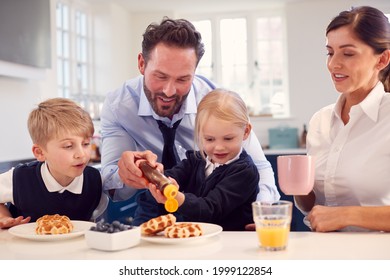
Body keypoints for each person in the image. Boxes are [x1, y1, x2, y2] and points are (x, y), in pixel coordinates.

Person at [100, 17, 279, 214]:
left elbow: (260, 167)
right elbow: (114, 188)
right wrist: (126, 174)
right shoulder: (118, 107)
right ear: (142, 64)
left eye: (183, 79)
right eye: (160, 76)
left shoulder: (218, 105)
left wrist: (262, 212)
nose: (169, 91)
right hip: (157, 210)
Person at [295, 6, 390, 232]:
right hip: (323, 253)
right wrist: (299, 187)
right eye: (330, 52)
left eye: (348, 53)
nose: (333, 64)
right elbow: (314, 207)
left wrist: (346, 215)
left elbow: (335, 214)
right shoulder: (320, 121)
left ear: (382, 59)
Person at [134, 89, 259, 230]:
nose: (219, 147)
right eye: (210, 139)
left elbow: (210, 209)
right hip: (196, 239)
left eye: (228, 138)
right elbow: (171, 177)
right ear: (200, 134)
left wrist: (177, 197)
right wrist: (159, 178)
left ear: (246, 131)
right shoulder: (196, 159)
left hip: (229, 241)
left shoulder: (245, 172)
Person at [0, 98, 105, 229]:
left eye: (86, 144)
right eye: (68, 146)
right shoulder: (20, 179)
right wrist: (4, 217)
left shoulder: (95, 180)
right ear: (40, 153)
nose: (81, 154)